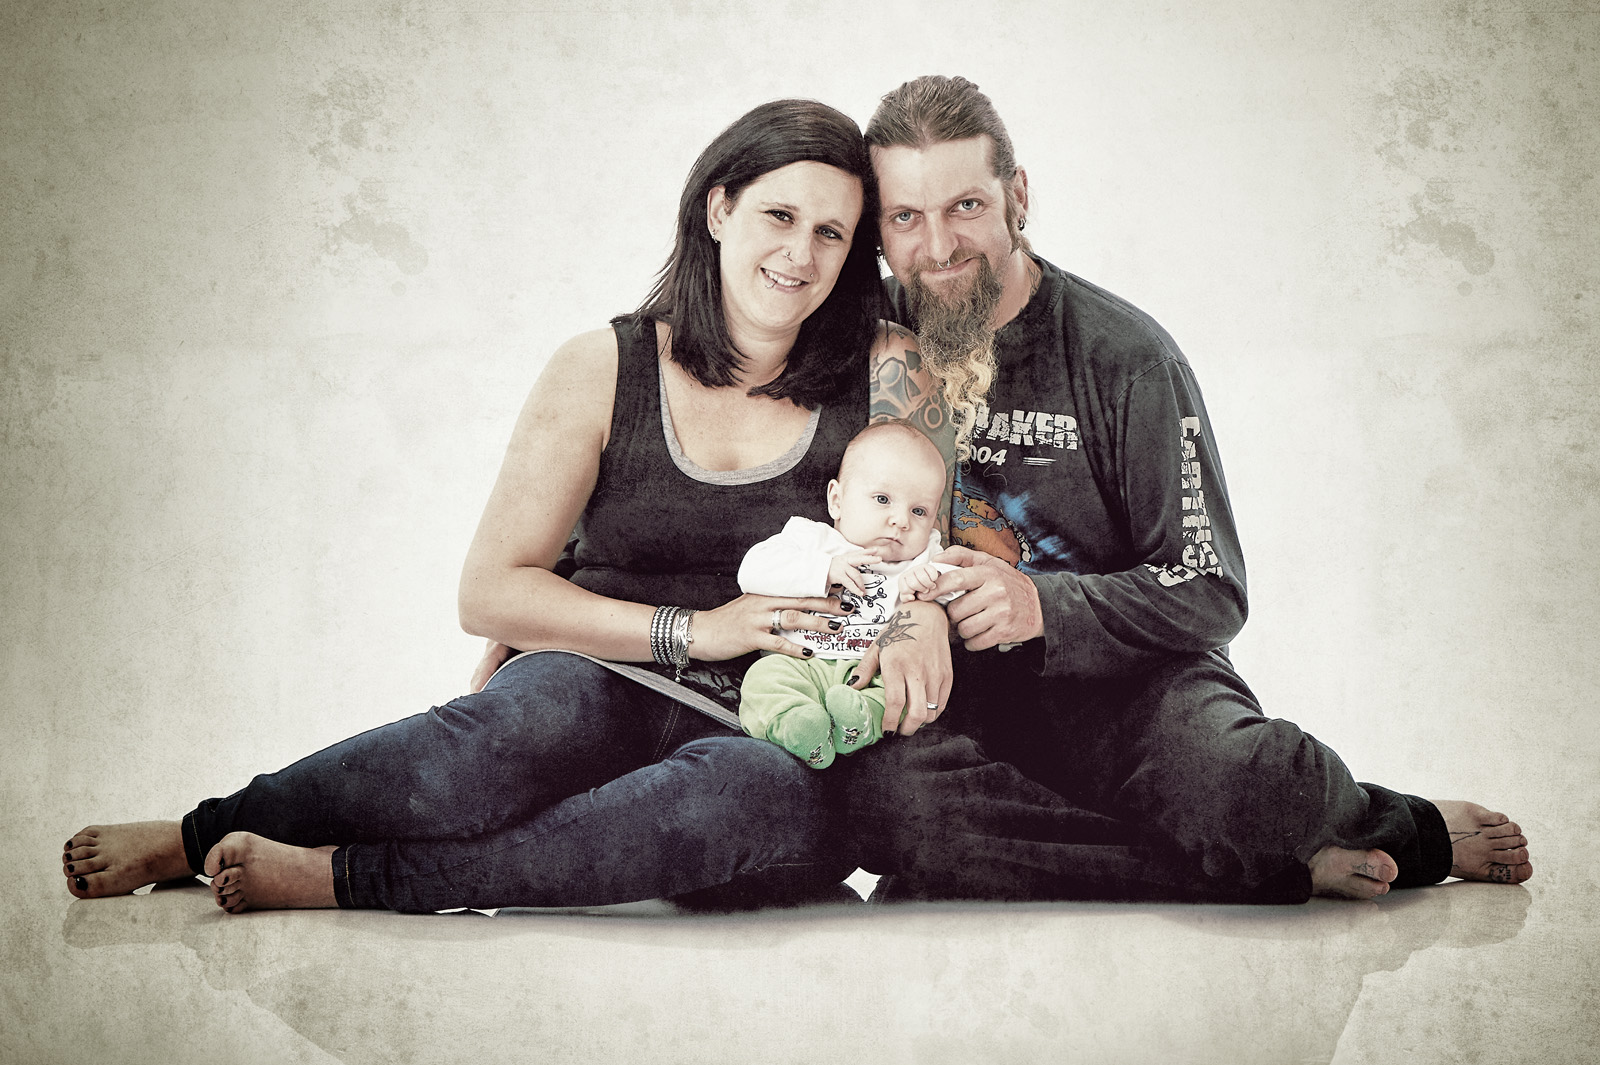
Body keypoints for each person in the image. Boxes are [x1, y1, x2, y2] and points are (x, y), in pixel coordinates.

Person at [59, 98, 954, 914]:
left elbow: (931, 547)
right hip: (605, 670)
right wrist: (698, 630)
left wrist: (920, 623)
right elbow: (489, 590)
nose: (801, 255)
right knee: (491, 743)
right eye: (779, 216)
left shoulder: (886, 368)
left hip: (778, 721)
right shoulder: (602, 367)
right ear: (719, 209)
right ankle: (198, 833)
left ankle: (347, 877)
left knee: (731, 801)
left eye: (831, 233)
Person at [837, 75, 1533, 903]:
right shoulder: (860, 346)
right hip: (957, 703)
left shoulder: (1124, 356)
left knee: (1249, 789)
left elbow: (1212, 587)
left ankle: (1384, 823)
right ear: (877, 228)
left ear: (1017, 196)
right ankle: (1269, 866)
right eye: (905, 217)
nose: (939, 245)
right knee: (880, 801)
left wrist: (1041, 605)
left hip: (1131, 697)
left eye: (966, 206)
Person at [736, 419, 957, 769]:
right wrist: (823, 570)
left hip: (872, 670)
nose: (901, 521)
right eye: (883, 499)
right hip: (799, 663)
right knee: (764, 681)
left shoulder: (924, 557)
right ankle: (797, 726)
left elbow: (958, 591)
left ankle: (858, 721)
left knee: (900, 689)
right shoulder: (812, 540)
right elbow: (751, 571)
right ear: (836, 501)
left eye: (919, 511)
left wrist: (932, 586)